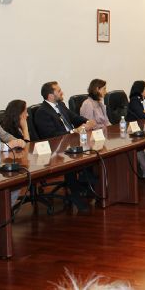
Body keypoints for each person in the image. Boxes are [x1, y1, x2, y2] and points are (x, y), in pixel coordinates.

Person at [34, 81, 97, 211]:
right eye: (58, 91)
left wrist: (86, 121)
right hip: (56, 148)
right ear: (50, 95)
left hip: (71, 142)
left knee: (92, 150)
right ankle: (75, 193)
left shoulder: (61, 105)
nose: (61, 92)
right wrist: (73, 131)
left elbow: (74, 118)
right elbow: (51, 135)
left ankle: (87, 183)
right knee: (73, 158)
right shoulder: (42, 112)